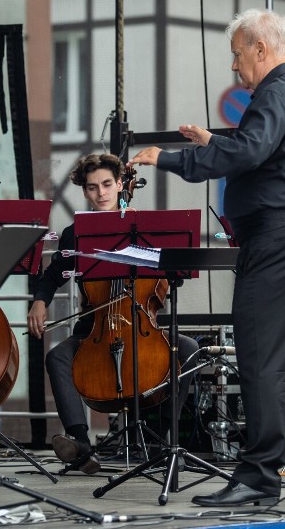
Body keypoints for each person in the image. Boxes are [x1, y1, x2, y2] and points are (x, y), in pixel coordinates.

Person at [129, 8, 285, 506]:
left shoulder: (274, 91)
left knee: (261, 360)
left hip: (279, 241)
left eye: (237, 53)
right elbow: (269, 156)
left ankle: (257, 478)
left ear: (261, 50)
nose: (234, 66)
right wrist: (216, 143)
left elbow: (249, 154)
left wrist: (169, 157)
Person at [27, 153, 199, 475]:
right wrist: (39, 301)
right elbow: (53, 275)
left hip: (141, 328)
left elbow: (168, 279)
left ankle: (164, 442)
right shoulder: (76, 232)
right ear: (84, 191)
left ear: (121, 184)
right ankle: (81, 445)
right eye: (92, 188)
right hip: (94, 329)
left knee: (188, 351)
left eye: (107, 184)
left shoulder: (147, 230)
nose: (101, 193)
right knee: (56, 358)